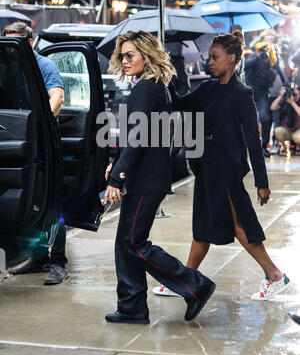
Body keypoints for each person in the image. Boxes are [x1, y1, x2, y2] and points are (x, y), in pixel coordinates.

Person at [154, 31, 290, 301]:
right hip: (207, 169)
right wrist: (166, 77)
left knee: (240, 225)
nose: (210, 63)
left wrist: (262, 182)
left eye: (215, 58)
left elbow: (253, 138)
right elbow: (181, 103)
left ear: (232, 59)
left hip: (226, 170)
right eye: (209, 58)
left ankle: (275, 276)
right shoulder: (208, 88)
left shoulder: (242, 93)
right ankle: (184, 280)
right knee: (202, 226)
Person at [103, 30, 215, 324]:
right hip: (145, 177)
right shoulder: (152, 85)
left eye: (130, 55)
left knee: (134, 244)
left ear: (146, 56)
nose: (124, 61)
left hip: (145, 180)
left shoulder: (148, 87)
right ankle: (131, 307)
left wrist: (117, 176)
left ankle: (195, 285)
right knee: (125, 243)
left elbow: (139, 137)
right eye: (122, 56)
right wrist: (115, 165)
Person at [4, 22, 68, 285]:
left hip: (42, 142)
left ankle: (58, 262)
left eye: (14, 45)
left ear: (29, 44)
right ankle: (38, 257)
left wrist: (41, 127)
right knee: (28, 199)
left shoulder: (44, 66)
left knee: (51, 201)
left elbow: (58, 97)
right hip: (14, 139)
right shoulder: (8, 66)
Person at [244, 41, 277, 157]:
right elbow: (245, 65)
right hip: (249, 92)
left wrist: (268, 62)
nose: (264, 52)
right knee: (246, 119)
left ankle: (264, 146)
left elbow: (274, 76)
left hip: (262, 93)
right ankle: (244, 145)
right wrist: (257, 57)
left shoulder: (271, 59)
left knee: (265, 118)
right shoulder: (253, 56)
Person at [270, 85, 300, 155]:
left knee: (298, 137)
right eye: (293, 94)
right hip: (287, 131)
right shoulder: (285, 101)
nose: (294, 96)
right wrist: (281, 96)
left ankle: (298, 147)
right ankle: (283, 146)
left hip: (298, 131)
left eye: (296, 94)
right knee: (277, 131)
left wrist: (292, 103)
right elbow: (272, 107)